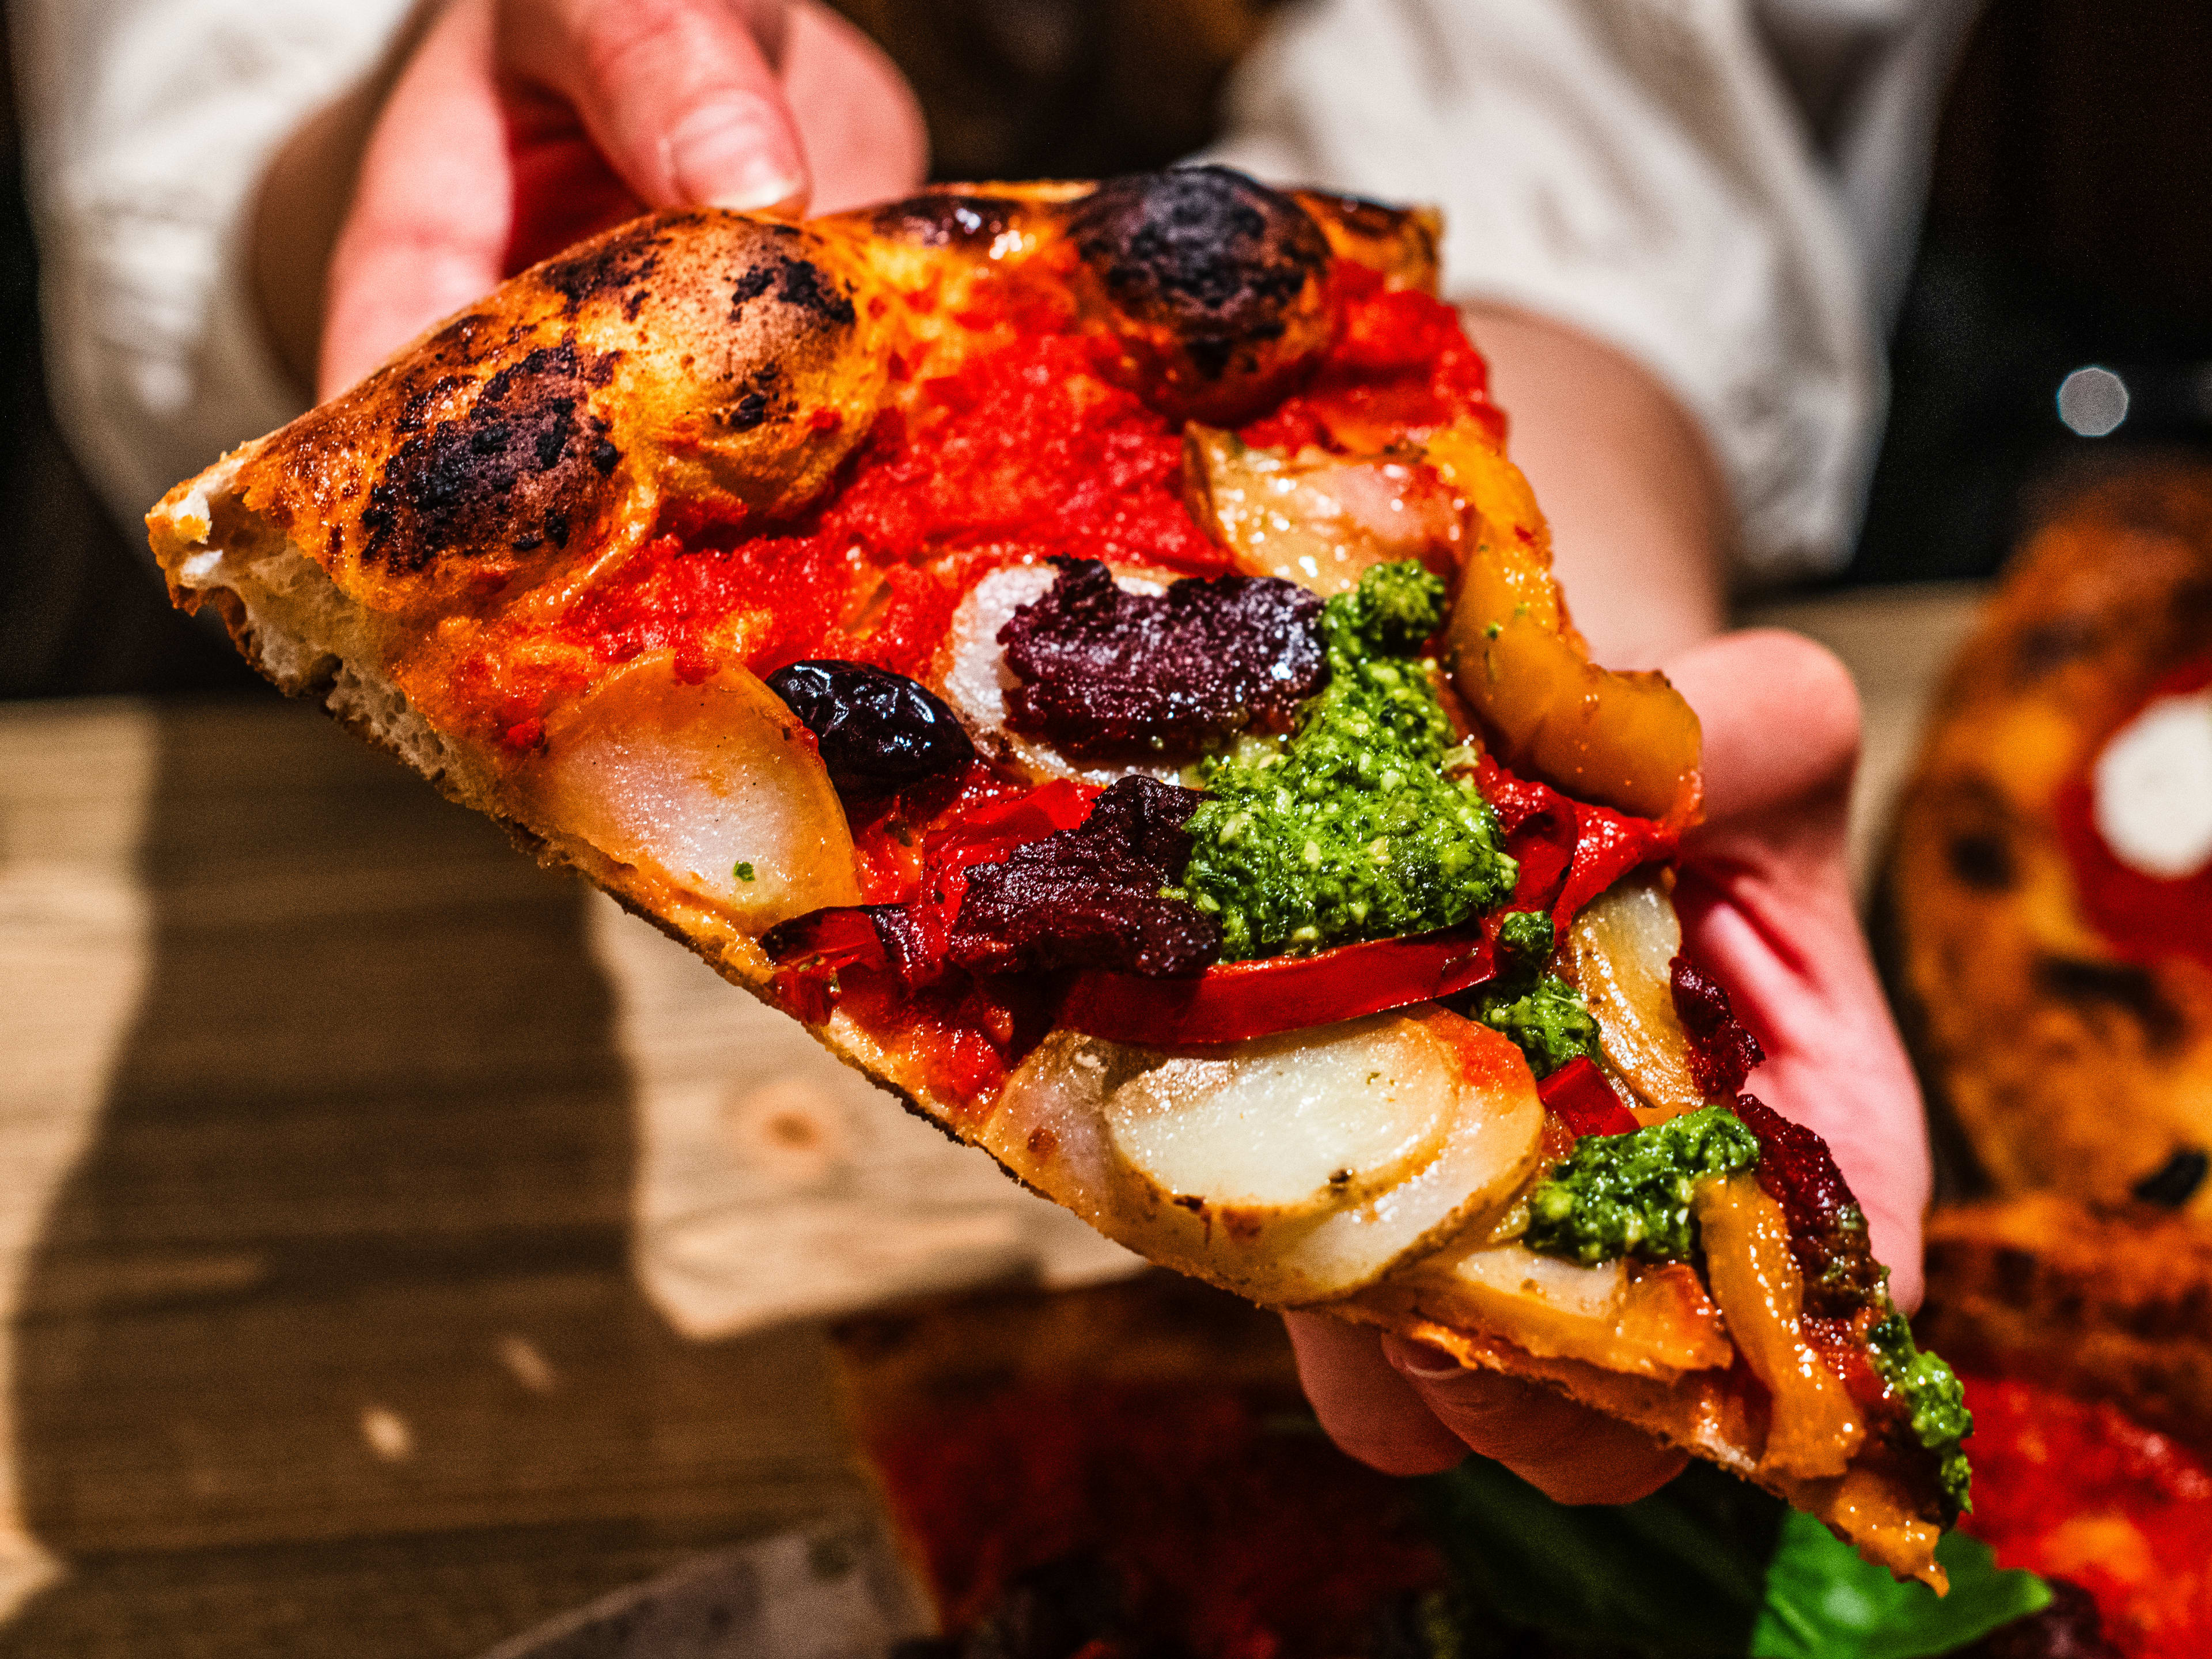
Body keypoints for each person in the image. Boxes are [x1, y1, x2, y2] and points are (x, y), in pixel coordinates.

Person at [15, 0, 1974, 1504]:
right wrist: (415, 124)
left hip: (1209, 484)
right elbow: (186, 97)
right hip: (257, 867)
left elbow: (1590, 106)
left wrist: (1561, 726)